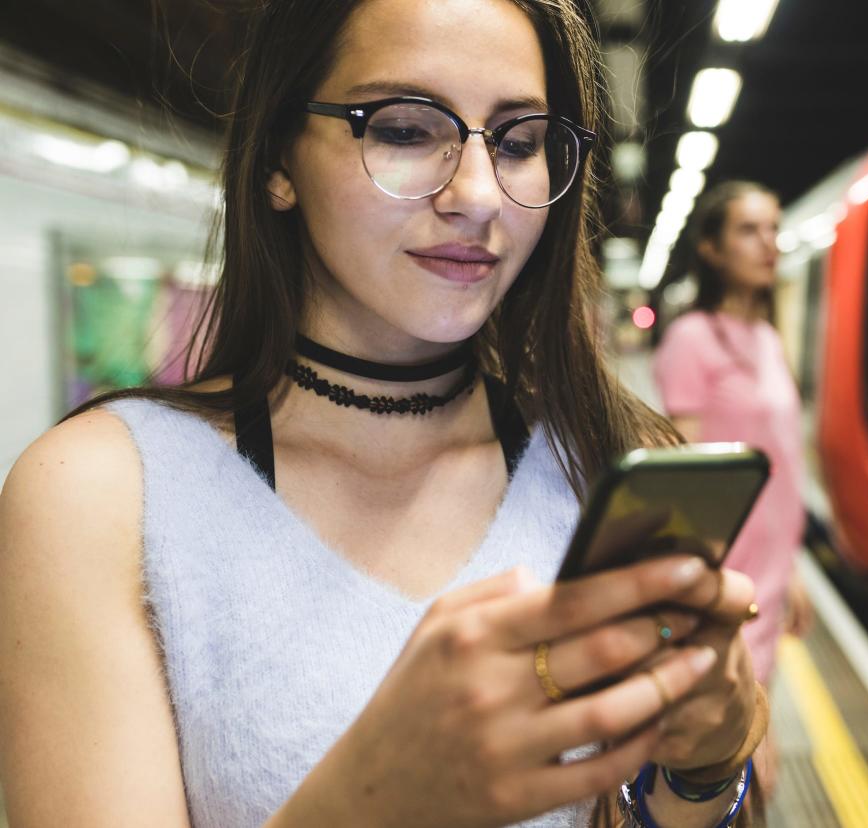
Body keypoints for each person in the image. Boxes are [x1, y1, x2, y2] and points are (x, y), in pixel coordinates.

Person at [0, 2, 767, 826]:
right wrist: (374, 800)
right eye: (403, 129)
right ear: (277, 159)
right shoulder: (103, 497)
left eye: (518, 142)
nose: (478, 196)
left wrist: (705, 768)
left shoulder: (606, 456)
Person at [654, 181, 813, 689]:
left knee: (760, 722)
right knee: (738, 726)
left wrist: (794, 570)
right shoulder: (691, 339)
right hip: (728, 569)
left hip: (773, 560)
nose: (769, 244)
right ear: (711, 248)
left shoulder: (768, 339)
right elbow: (688, 476)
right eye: (748, 230)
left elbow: (785, 464)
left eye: (773, 229)